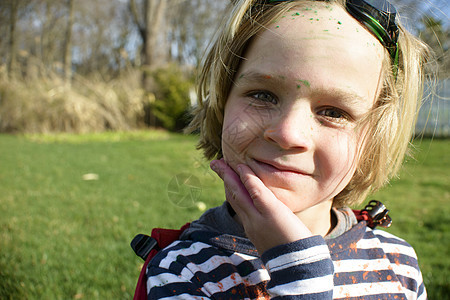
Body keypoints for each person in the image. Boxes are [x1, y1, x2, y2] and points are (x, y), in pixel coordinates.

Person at [144, 0, 431, 298]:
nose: (287, 133)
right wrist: (300, 273)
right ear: (223, 101)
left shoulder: (399, 266)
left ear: (373, 139)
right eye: (262, 95)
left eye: (333, 112)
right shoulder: (182, 271)